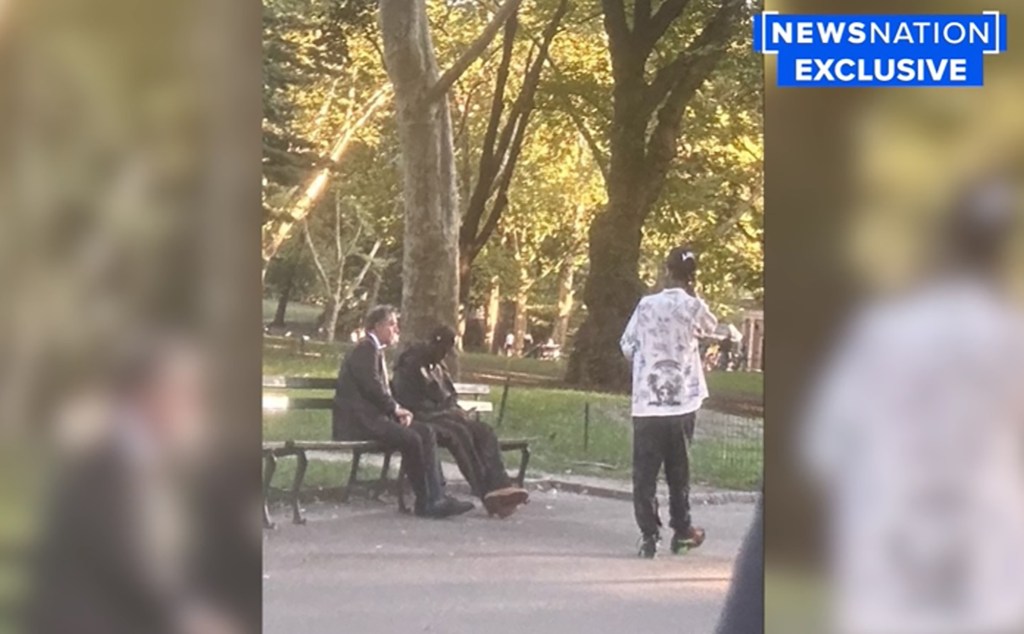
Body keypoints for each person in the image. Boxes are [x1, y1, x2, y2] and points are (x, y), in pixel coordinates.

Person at [620, 245, 717, 558]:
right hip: (682, 402)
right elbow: (711, 329)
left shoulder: (646, 305)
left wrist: (645, 363)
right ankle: (682, 529)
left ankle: (649, 535)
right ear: (692, 276)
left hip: (647, 402)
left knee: (644, 473)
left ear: (666, 271)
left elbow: (626, 344)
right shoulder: (694, 306)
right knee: (679, 471)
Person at [332, 306, 472, 519]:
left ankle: (437, 496)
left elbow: (378, 389)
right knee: (412, 438)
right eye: (391, 324)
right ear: (377, 326)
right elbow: (373, 387)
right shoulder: (365, 349)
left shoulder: (373, 350)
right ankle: (426, 501)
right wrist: (396, 409)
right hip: (359, 422)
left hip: (374, 419)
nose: (396, 328)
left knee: (426, 432)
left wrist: (396, 411)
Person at [392, 326, 530, 518]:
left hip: (443, 416)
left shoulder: (438, 366)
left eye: (447, 352)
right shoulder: (410, 364)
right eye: (442, 350)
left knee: (483, 431)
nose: (443, 356)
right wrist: (445, 412)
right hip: (422, 418)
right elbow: (410, 402)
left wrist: (455, 409)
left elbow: (449, 396)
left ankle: (501, 484)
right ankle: (485, 492)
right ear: (434, 344)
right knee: (459, 432)